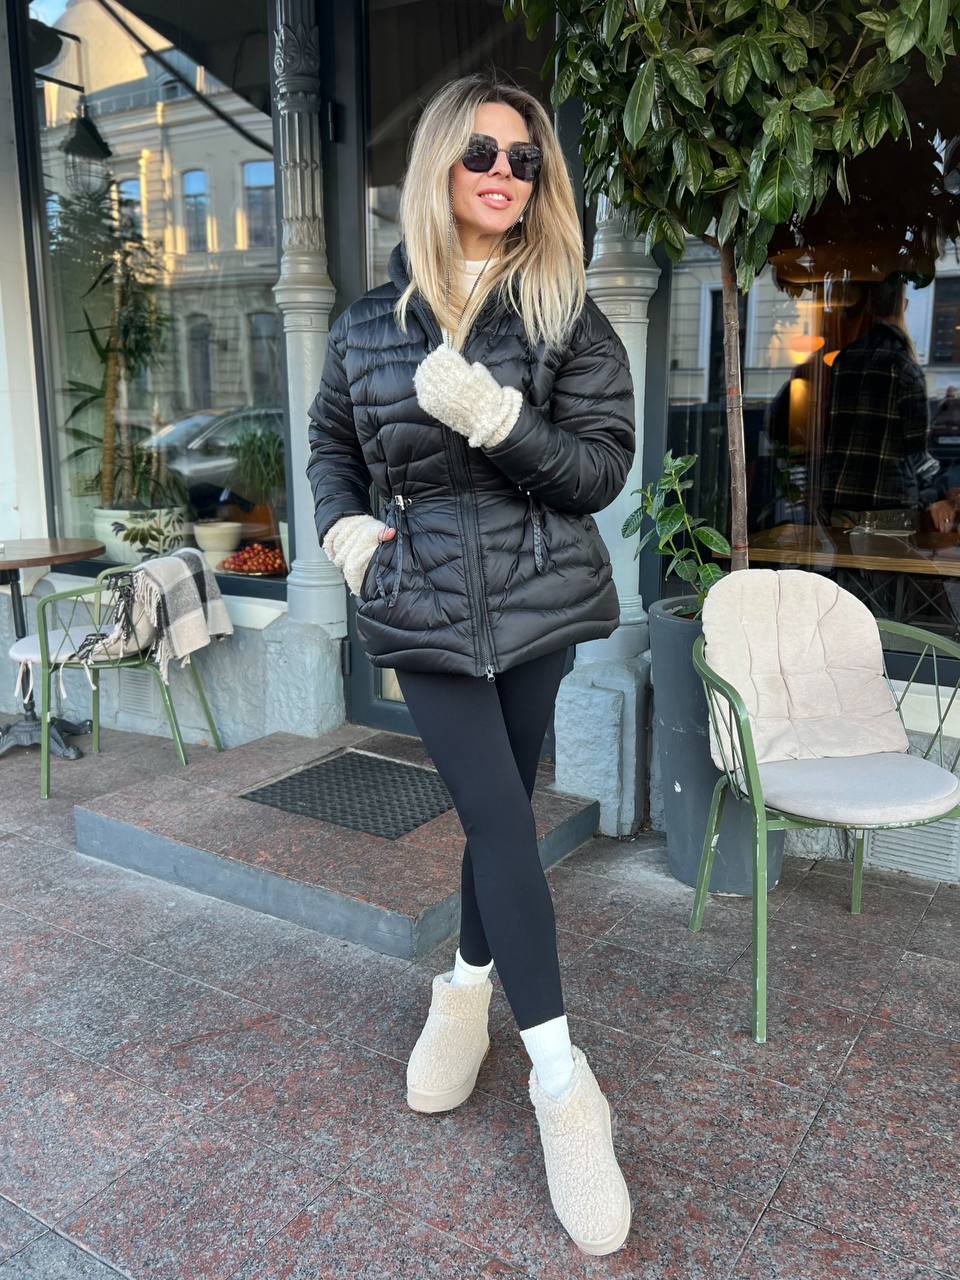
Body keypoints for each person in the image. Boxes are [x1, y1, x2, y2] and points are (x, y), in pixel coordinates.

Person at [305, 74, 635, 1256]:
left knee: (503, 821)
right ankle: (565, 1086)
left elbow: (600, 469)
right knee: (498, 820)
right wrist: (347, 534)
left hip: (539, 603)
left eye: (525, 160)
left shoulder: (563, 314)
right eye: (483, 152)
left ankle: (462, 993)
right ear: (440, 163)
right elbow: (330, 445)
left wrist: (501, 419)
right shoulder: (365, 325)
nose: (505, 174)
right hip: (424, 604)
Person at [822, 276, 957, 533]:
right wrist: (942, 488)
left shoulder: (844, 359)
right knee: (889, 561)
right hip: (889, 506)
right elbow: (916, 452)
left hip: (841, 500)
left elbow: (832, 433)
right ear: (902, 306)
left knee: (843, 561)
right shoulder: (904, 367)